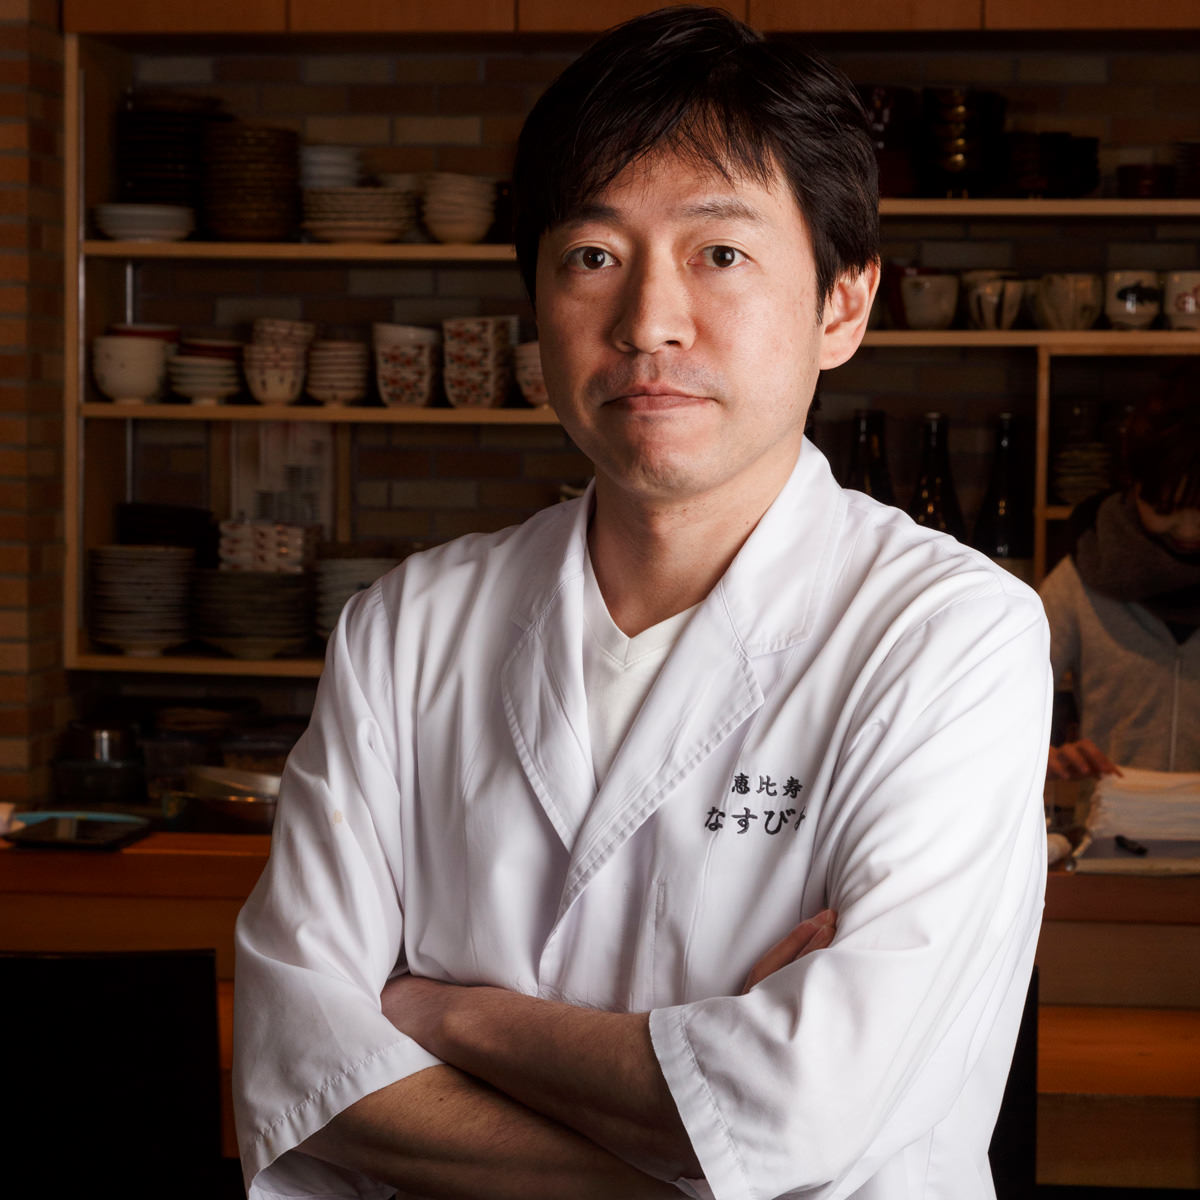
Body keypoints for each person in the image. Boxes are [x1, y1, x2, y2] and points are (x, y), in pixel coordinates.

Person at [233, 8, 1052, 1198]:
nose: (647, 322)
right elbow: (296, 1065)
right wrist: (701, 1155)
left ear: (843, 305)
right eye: (591, 256)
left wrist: (441, 1014)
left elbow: (812, 1102)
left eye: (719, 253)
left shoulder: (948, 636)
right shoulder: (409, 627)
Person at [1041, 368, 1200, 780]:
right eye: (1165, 508)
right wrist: (1039, 757)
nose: (1187, 530)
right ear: (1133, 485)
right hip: (1112, 815)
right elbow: (997, 696)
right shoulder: (1084, 573)